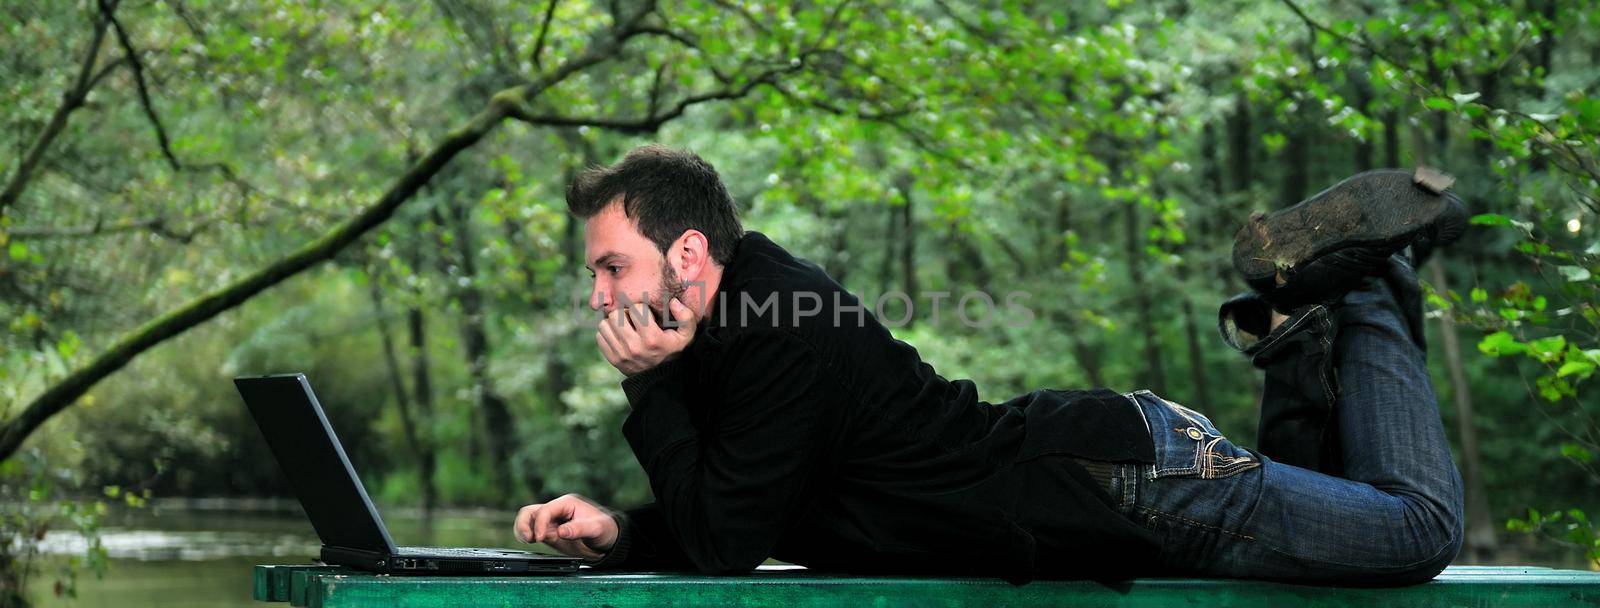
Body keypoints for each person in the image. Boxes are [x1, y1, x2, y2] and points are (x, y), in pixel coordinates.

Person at [510, 144, 1467, 584]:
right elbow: (747, 505)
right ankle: (1297, 318)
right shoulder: (735, 324)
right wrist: (620, 535)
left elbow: (725, 544)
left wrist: (650, 387)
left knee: (1417, 530)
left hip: (1133, 488)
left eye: (611, 267)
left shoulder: (773, 331)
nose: (599, 296)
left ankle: (1369, 279)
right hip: (1113, 477)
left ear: (685, 255)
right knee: (1353, 505)